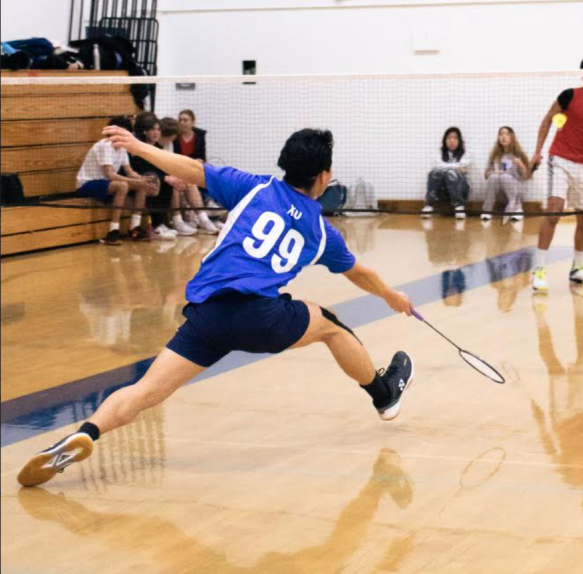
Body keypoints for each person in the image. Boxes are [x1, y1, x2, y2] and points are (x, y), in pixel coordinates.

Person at [17, 127, 415, 488]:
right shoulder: (320, 231)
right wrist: (391, 296)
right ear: (324, 177)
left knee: (144, 391)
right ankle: (383, 395)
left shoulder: (253, 187)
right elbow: (359, 273)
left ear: (285, 165)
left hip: (208, 317)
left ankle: (87, 432)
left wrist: (138, 146)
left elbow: (192, 169)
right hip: (263, 319)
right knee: (329, 325)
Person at [530, 56, 583, 293]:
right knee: (554, 211)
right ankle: (539, 269)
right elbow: (547, 121)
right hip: (559, 159)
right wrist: (537, 152)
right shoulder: (569, 96)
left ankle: (578, 268)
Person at [75, 115, 151, 245]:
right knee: (122, 186)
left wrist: (143, 179)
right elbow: (110, 175)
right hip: (87, 184)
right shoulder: (104, 146)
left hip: (106, 184)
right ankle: (113, 232)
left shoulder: (122, 147)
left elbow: (129, 171)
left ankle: (134, 227)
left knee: (141, 186)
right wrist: (135, 181)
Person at [131, 113, 196, 238]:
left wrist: (171, 177)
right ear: (145, 131)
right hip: (137, 179)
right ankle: (155, 226)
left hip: (152, 178)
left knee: (168, 184)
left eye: (158, 129)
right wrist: (165, 178)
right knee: (156, 182)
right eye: (152, 130)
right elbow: (142, 170)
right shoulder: (138, 148)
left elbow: (161, 168)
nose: (156, 133)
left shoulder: (157, 148)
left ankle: (161, 223)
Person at [161, 116, 219, 234]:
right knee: (175, 185)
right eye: (181, 120)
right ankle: (178, 222)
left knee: (191, 181)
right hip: (160, 178)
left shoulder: (170, 144)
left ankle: (204, 219)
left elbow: (173, 163)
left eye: (186, 120)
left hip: (171, 174)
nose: (173, 140)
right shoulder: (155, 146)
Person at [481, 126, 531, 223]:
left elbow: (526, 177)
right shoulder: (495, 156)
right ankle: (487, 210)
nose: (503, 137)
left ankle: (517, 209)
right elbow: (486, 175)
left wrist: (521, 165)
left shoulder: (518, 154)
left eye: (507, 134)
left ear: (512, 137)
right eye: (501, 134)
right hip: (500, 192)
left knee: (505, 176)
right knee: (495, 177)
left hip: (515, 192)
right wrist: (494, 173)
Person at [421, 127, 470, 220]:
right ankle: (429, 206)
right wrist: (456, 167)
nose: (452, 141)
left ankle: (459, 207)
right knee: (433, 173)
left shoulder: (467, 153)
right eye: (449, 138)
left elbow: (464, 165)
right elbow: (436, 166)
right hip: (443, 190)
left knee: (450, 173)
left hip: (461, 189)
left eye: (455, 138)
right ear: (445, 140)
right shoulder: (438, 152)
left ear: (460, 141)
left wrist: (444, 167)